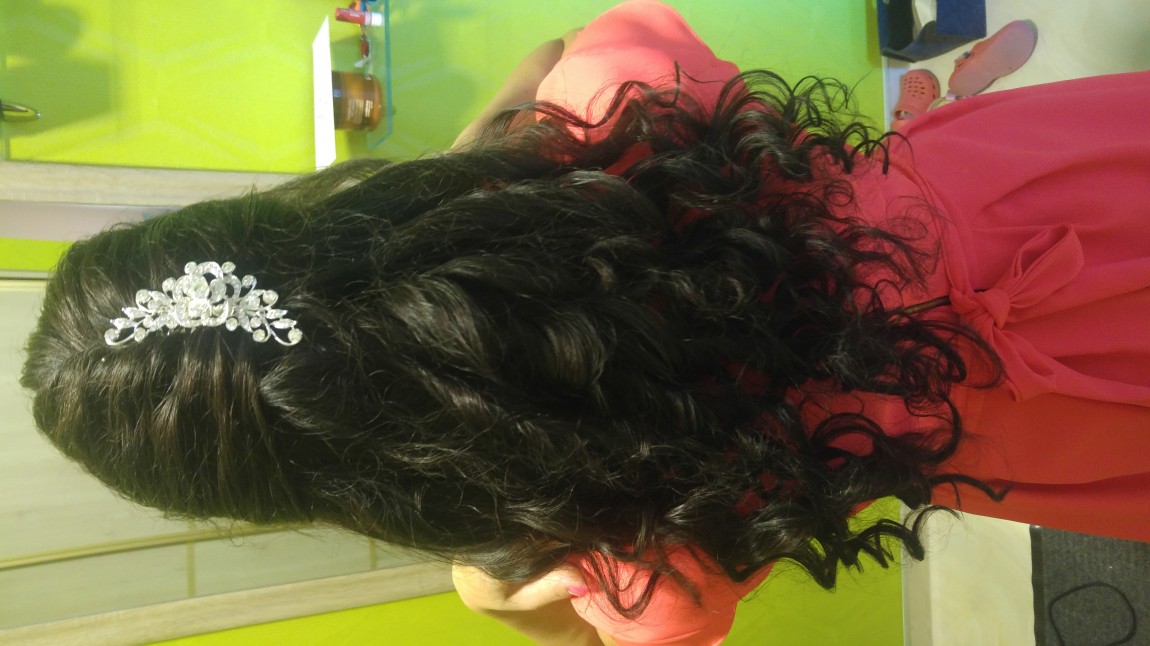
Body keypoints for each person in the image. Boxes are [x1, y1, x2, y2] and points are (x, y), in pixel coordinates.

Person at [20, 2, 1150, 644]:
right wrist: (460, 174)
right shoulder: (590, 118)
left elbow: (638, 626)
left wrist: (488, 581)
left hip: (1025, 408)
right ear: (289, 228)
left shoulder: (609, 524)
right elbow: (570, 46)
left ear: (317, 472)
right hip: (1024, 184)